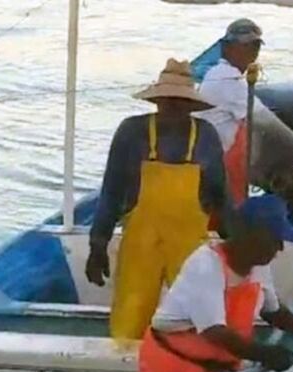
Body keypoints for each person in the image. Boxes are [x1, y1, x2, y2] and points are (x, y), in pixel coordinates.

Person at [86, 59, 231, 341]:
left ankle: (189, 367)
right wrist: (97, 245)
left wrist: (235, 246)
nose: (173, 108)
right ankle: (125, 369)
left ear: (191, 106)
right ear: (157, 101)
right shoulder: (131, 132)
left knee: (195, 315)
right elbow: (111, 191)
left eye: (180, 102)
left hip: (189, 245)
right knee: (131, 315)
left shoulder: (206, 136)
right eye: (167, 101)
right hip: (141, 243)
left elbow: (220, 196)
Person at [138, 194, 293, 372]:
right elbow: (215, 332)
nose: (280, 248)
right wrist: (265, 354)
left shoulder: (259, 266)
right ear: (249, 234)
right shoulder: (206, 265)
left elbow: (273, 312)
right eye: (275, 238)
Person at [197, 18, 293, 205]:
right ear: (228, 47)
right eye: (246, 45)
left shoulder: (222, 75)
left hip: (221, 156)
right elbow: (263, 119)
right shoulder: (225, 76)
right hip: (218, 162)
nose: (252, 52)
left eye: (256, 46)